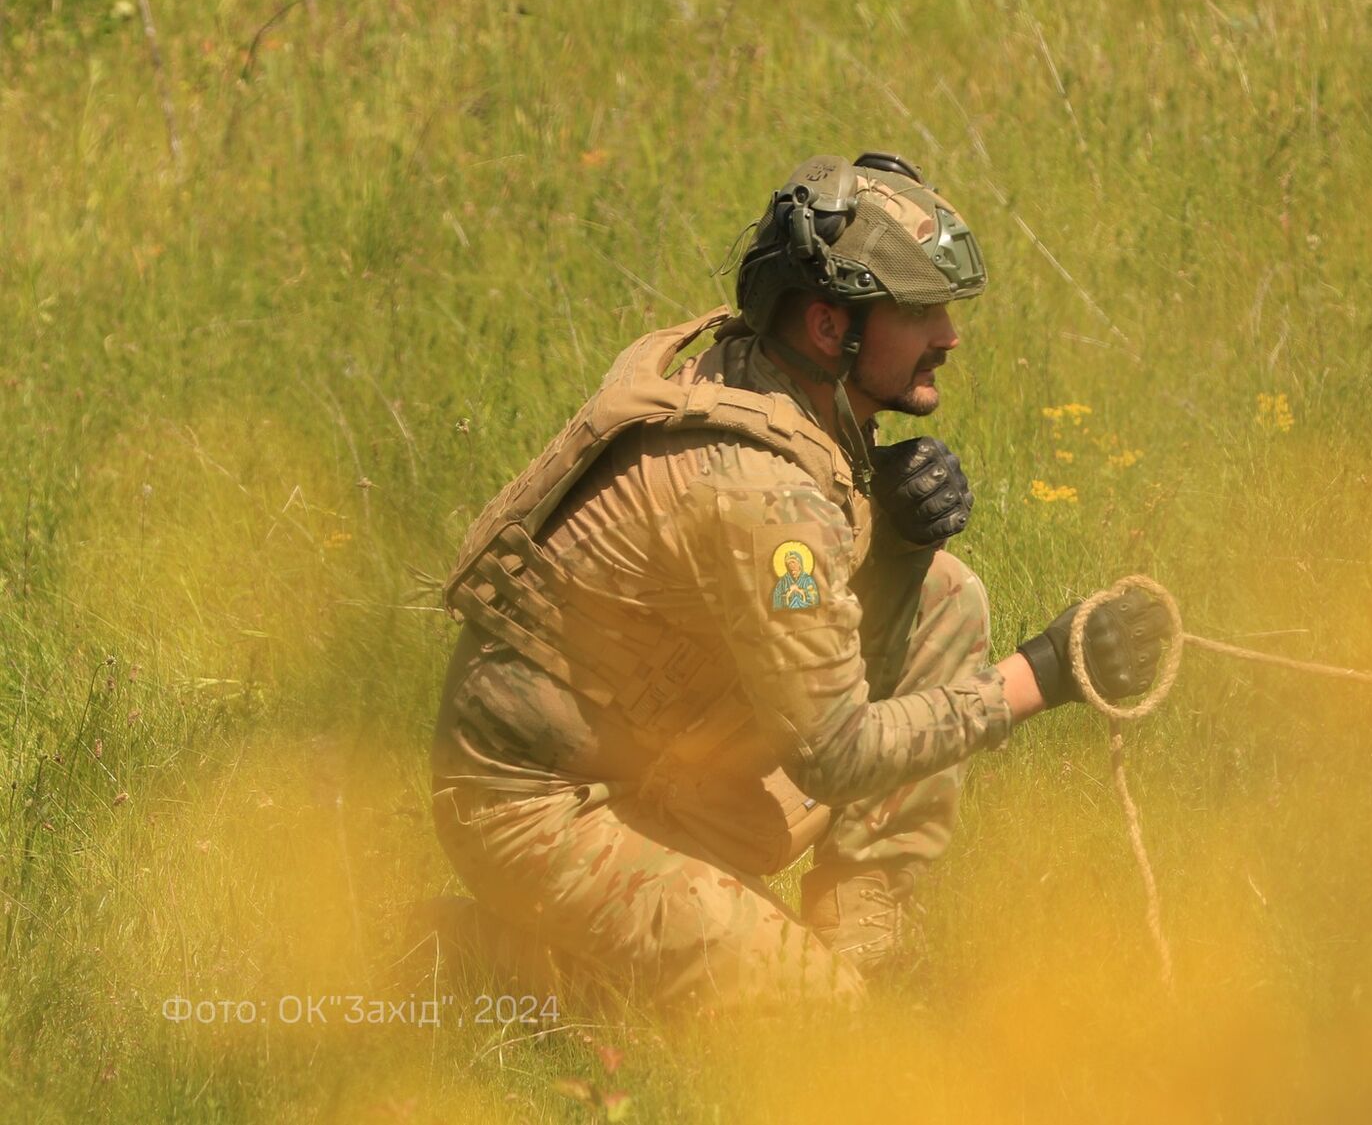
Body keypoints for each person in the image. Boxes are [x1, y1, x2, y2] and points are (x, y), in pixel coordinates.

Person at [428, 150, 1172, 1008]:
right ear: (829, 327)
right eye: (920, 312)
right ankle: (482, 956)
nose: (948, 338)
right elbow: (836, 751)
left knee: (942, 594)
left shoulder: (764, 378)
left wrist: (889, 542)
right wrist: (1045, 673)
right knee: (819, 1022)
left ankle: (867, 925)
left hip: (655, 753)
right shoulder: (761, 492)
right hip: (541, 811)